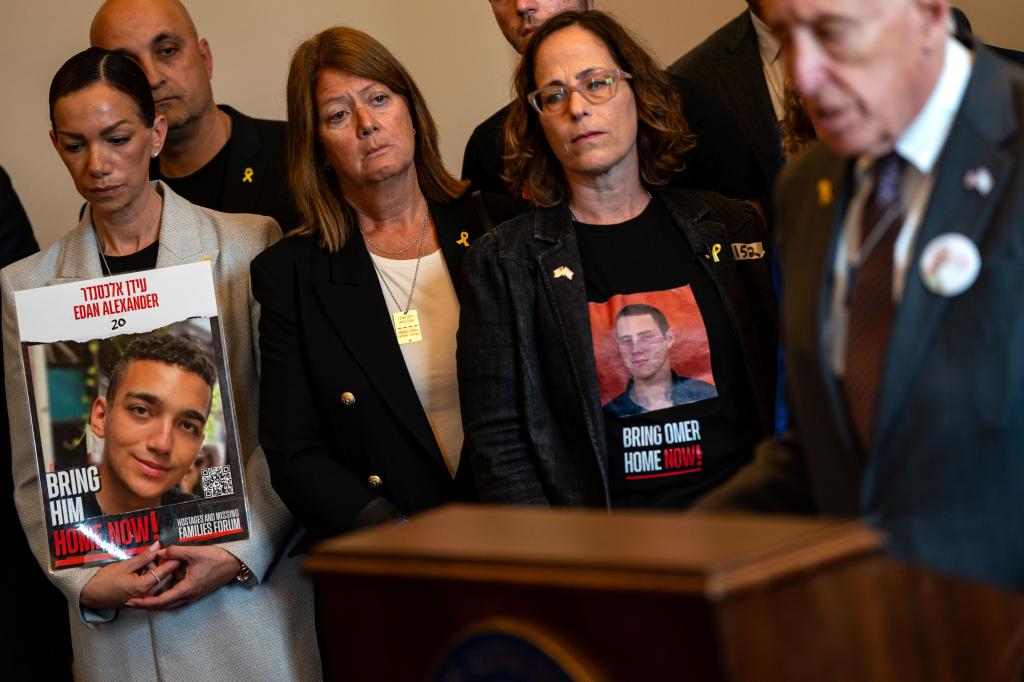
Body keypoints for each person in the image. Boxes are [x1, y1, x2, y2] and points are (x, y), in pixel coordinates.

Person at [2, 48, 320, 680]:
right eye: (74, 145)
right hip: (120, 635)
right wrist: (86, 581)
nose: (98, 165)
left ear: (156, 132)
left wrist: (240, 548)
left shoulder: (247, 244)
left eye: (118, 138)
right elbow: (32, 470)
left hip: (248, 609)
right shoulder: (26, 286)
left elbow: (289, 431)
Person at [694, 0, 1024, 593]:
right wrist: (672, 561)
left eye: (832, 33)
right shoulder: (808, 187)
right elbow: (825, 446)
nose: (804, 75)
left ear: (927, 14)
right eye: (789, 39)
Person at [458, 11, 777, 511]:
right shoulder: (504, 262)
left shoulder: (731, 226)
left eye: (597, 83)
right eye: (555, 95)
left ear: (637, 92)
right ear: (539, 122)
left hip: (746, 537)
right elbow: (498, 445)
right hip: (604, 557)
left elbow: (779, 389)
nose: (578, 109)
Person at [251, 27, 518, 553]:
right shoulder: (291, 274)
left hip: (522, 538)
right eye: (338, 115)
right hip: (394, 565)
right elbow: (295, 452)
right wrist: (397, 539)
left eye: (379, 99)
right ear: (318, 147)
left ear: (410, 110)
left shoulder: (505, 229)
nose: (368, 124)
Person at [465, 1, 763, 200]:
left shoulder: (697, 114)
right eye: (554, 96)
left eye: (596, 84)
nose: (522, 5)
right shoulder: (488, 149)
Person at [89, 0, 299, 229]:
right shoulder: (112, 200)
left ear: (205, 59)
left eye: (167, 51)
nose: (151, 78)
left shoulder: (300, 152)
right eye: (127, 66)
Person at [84, 334, 215, 517]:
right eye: (141, 410)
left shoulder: (205, 522)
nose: (162, 444)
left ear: (199, 444)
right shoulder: (43, 516)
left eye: (187, 426)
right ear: (101, 416)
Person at [604, 304, 717, 417]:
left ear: (669, 338)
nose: (635, 349)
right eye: (626, 340)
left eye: (646, 337)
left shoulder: (707, 395)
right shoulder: (609, 414)